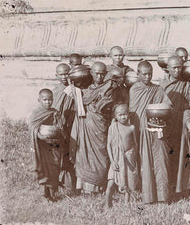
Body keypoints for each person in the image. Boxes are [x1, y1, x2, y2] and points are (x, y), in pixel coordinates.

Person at [129, 60, 173, 204]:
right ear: (138, 74)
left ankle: (163, 197)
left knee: (161, 161)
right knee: (145, 163)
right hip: (142, 132)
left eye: (150, 74)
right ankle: (148, 197)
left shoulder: (158, 89)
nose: (148, 77)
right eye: (144, 74)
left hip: (157, 130)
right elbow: (133, 113)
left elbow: (168, 106)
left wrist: (160, 116)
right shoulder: (134, 90)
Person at [70, 61, 117, 194]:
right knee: (85, 153)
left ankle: (99, 186)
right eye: (97, 73)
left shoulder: (109, 87)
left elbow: (107, 104)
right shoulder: (86, 89)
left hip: (100, 125)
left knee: (101, 153)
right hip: (86, 125)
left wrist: (102, 101)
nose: (99, 77)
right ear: (91, 73)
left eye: (102, 74)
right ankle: (85, 186)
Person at [160, 55, 190, 190]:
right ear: (167, 69)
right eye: (174, 68)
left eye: (179, 67)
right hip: (168, 125)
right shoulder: (162, 86)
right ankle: (170, 185)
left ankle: (183, 186)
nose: (177, 71)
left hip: (183, 124)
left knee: (183, 155)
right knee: (168, 155)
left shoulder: (188, 83)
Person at [28, 88, 65, 202]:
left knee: (54, 167)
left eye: (50, 100)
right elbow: (32, 129)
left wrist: (58, 133)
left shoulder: (54, 112)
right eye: (45, 100)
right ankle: (46, 193)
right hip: (42, 147)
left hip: (54, 145)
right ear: (39, 100)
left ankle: (53, 194)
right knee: (45, 169)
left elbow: (60, 127)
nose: (48, 102)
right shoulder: (35, 114)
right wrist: (40, 136)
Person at [105, 103, 140, 207]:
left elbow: (135, 143)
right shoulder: (113, 127)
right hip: (116, 160)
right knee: (110, 183)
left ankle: (126, 203)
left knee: (128, 183)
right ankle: (107, 203)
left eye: (125, 114)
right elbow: (108, 145)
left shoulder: (131, 128)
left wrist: (133, 156)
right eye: (120, 115)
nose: (123, 117)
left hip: (128, 158)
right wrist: (112, 161)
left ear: (128, 114)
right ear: (115, 116)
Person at [52, 63, 77, 193]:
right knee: (58, 156)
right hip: (59, 128)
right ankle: (57, 182)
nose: (64, 77)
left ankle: (71, 184)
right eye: (61, 74)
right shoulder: (55, 91)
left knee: (70, 155)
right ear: (56, 76)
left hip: (72, 126)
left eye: (66, 73)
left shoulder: (76, 89)